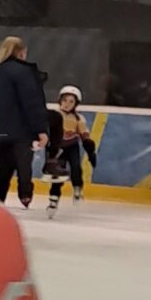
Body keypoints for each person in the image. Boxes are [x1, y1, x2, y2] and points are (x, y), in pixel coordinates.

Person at [0, 35, 47, 208]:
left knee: (3, 170)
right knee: (22, 163)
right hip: (18, 129)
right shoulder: (23, 72)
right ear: (21, 52)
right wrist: (41, 129)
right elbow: (32, 102)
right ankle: (25, 192)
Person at [44, 84, 98, 216]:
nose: (67, 104)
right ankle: (53, 199)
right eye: (65, 100)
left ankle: (77, 188)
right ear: (60, 101)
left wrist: (90, 150)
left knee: (76, 168)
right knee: (58, 175)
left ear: (76, 104)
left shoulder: (79, 119)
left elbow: (84, 135)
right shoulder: (54, 115)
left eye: (71, 101)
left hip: (72, 146)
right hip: (58, 148)